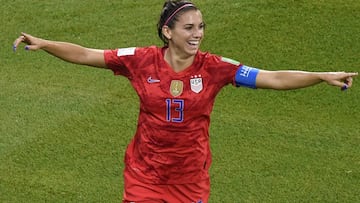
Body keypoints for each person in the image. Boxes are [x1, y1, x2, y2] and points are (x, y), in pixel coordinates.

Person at [13, 0, 357, 202]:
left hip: (189, 180)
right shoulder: (139, 60)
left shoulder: (215, 68)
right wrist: (46, 43)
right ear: (168, 32)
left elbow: (273, 77)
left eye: (201, 27)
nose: (198, 34)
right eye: (189, 28)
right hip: (144, 176)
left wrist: (319, 76)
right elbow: (89, 54)